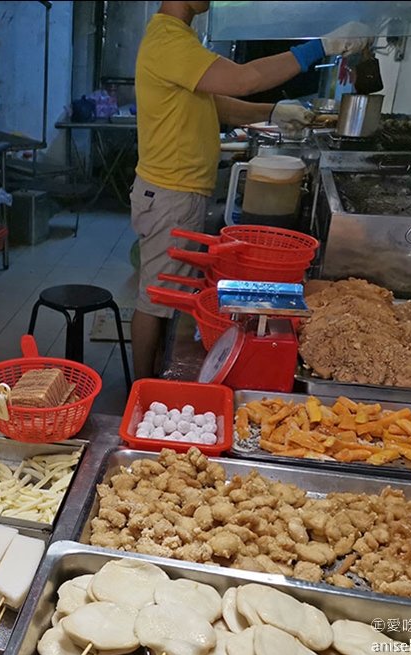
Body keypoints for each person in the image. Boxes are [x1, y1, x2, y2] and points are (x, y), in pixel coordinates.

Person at [130, 1, 372, 379]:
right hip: (170, 193)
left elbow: (216, 105)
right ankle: (140, 390)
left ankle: (155, 376)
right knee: (155, 300)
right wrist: (321, 47)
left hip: (178, 191)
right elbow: (243, 78)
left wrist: (272, 111)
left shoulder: (178, 37)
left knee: (166, 301)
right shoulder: (166, 39)